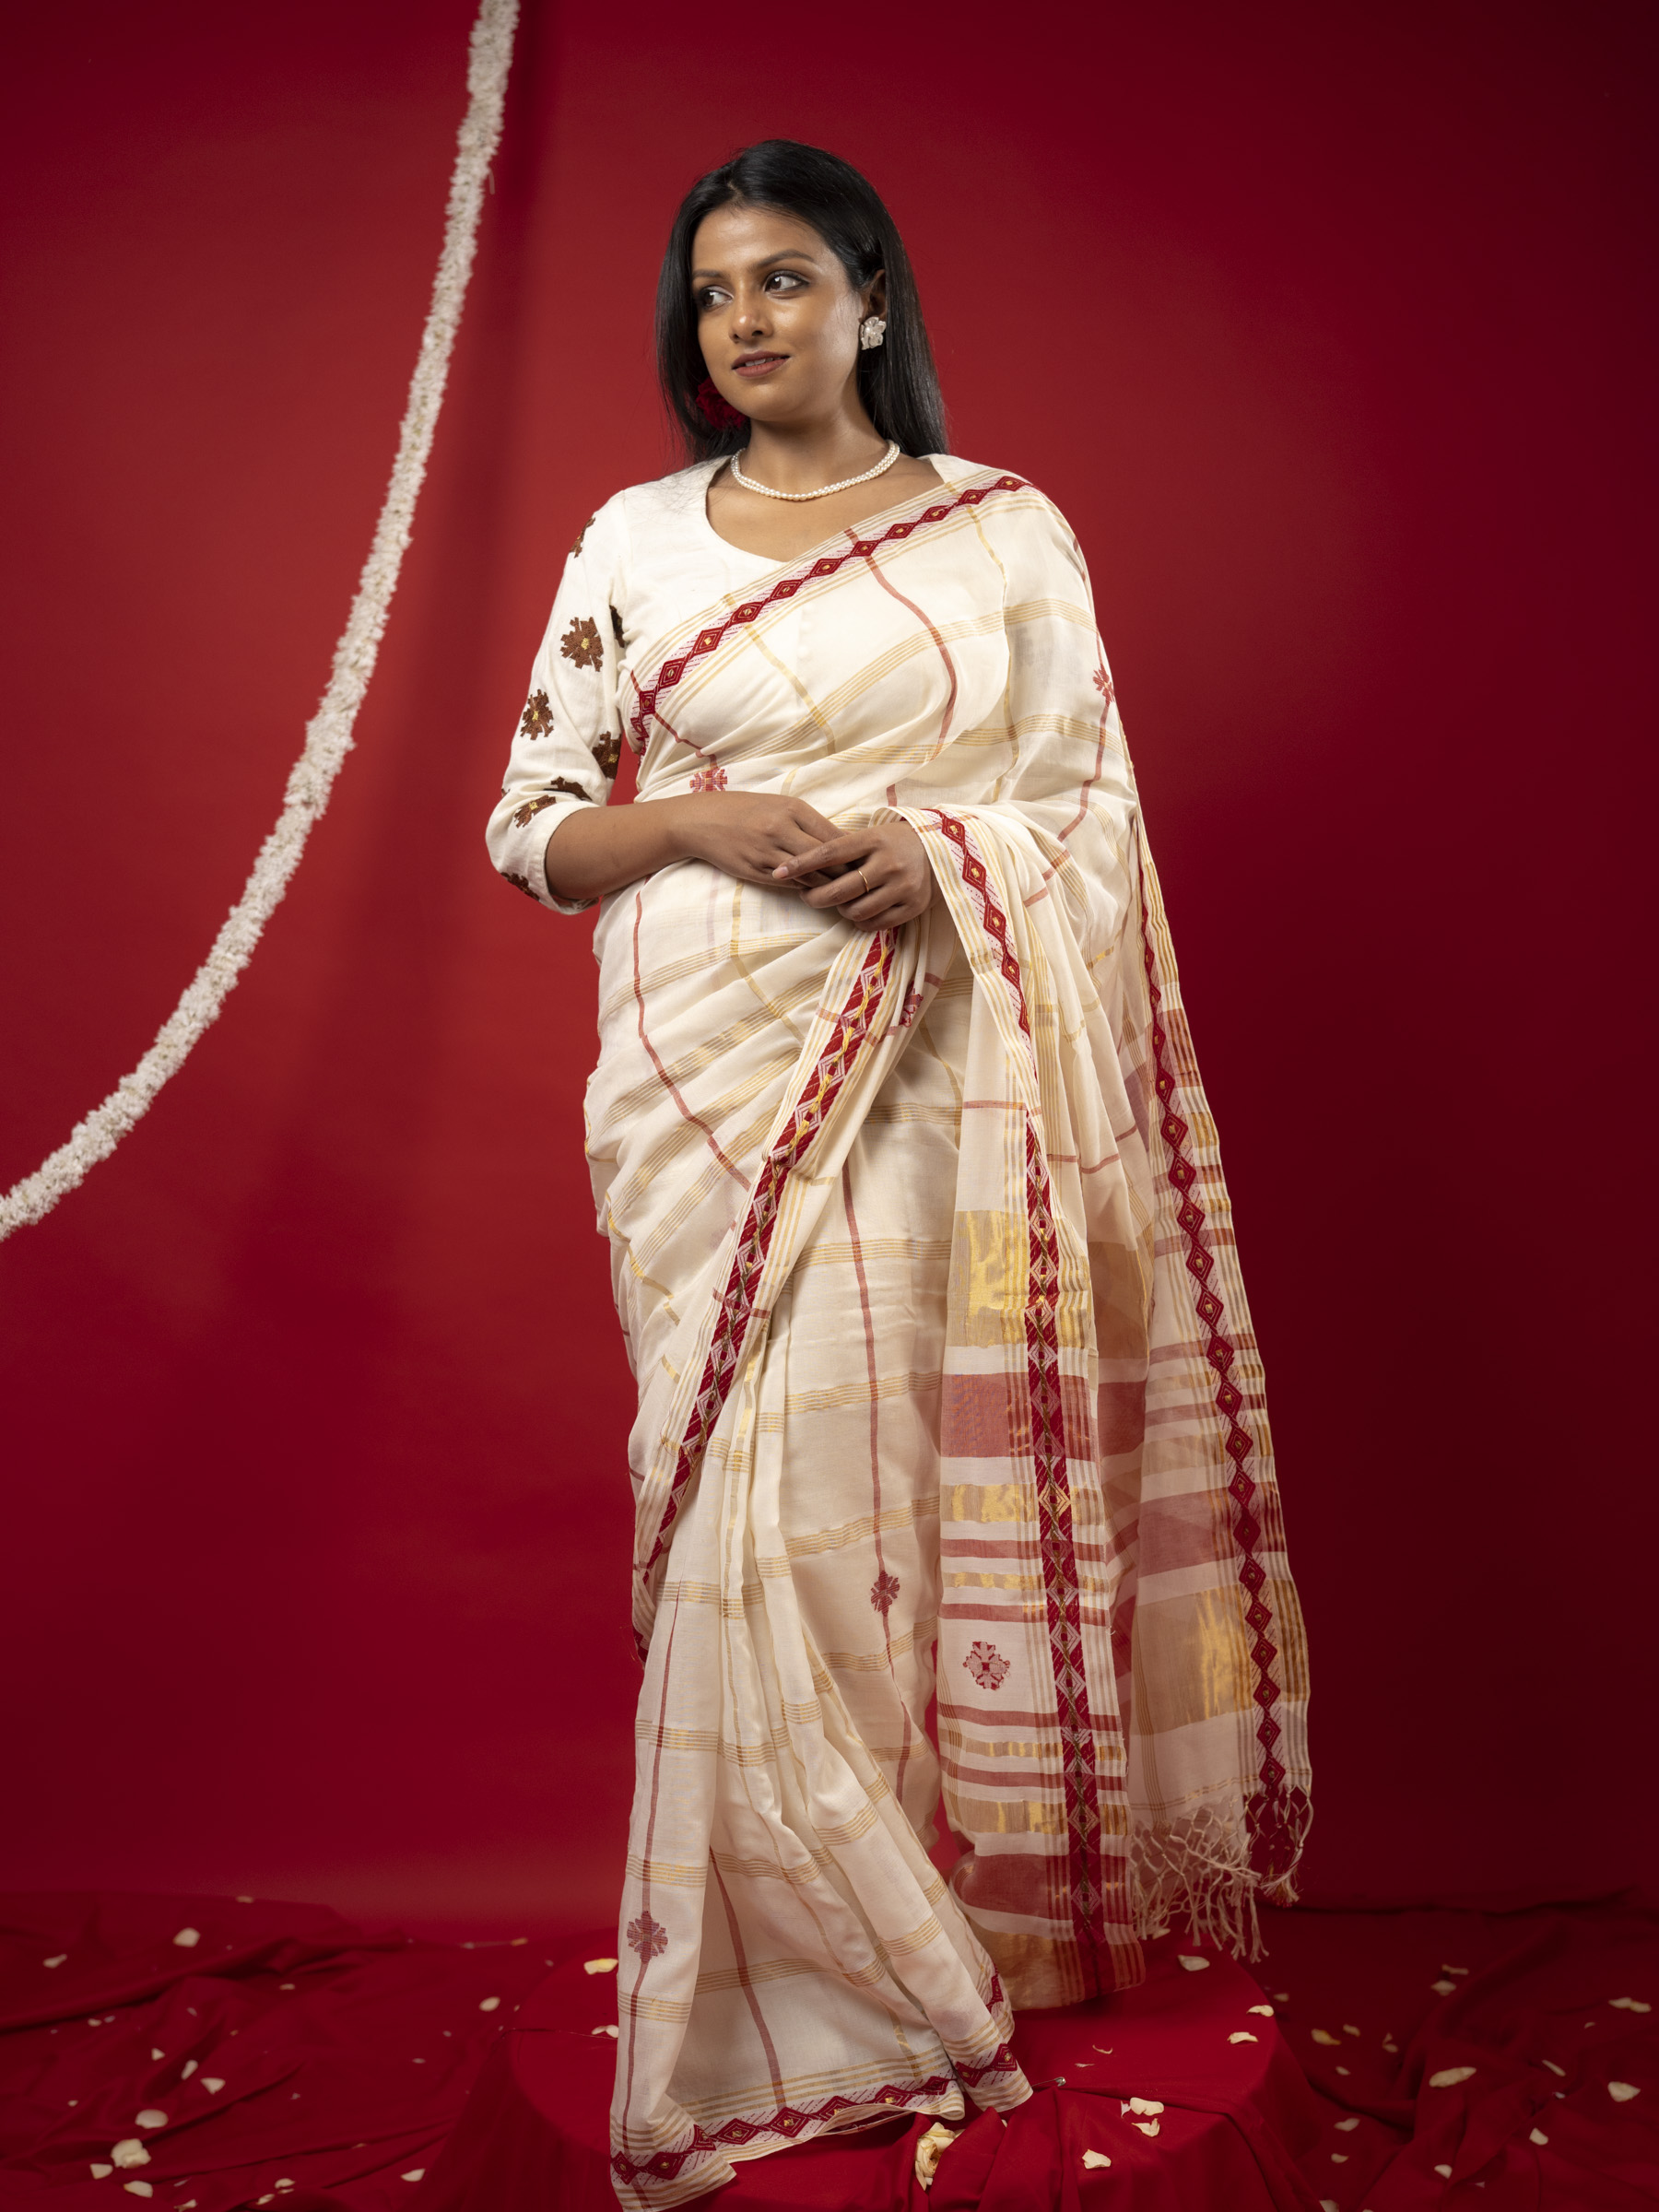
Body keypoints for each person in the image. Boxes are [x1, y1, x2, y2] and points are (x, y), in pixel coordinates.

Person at [487, 139, 1310, 2212]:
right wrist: (701, 822)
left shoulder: (1001, 532)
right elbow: (535, 826)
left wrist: (948, 864)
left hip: (941, 1062)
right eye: (711, 292)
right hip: (700, 1072)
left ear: (871, 299)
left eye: (782, 278)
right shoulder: (633, 542)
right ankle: (806, 1968)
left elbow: (1088, 820)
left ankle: (918, 1923)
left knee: (890, 1496)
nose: (742, 321)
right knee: (742, 1502)